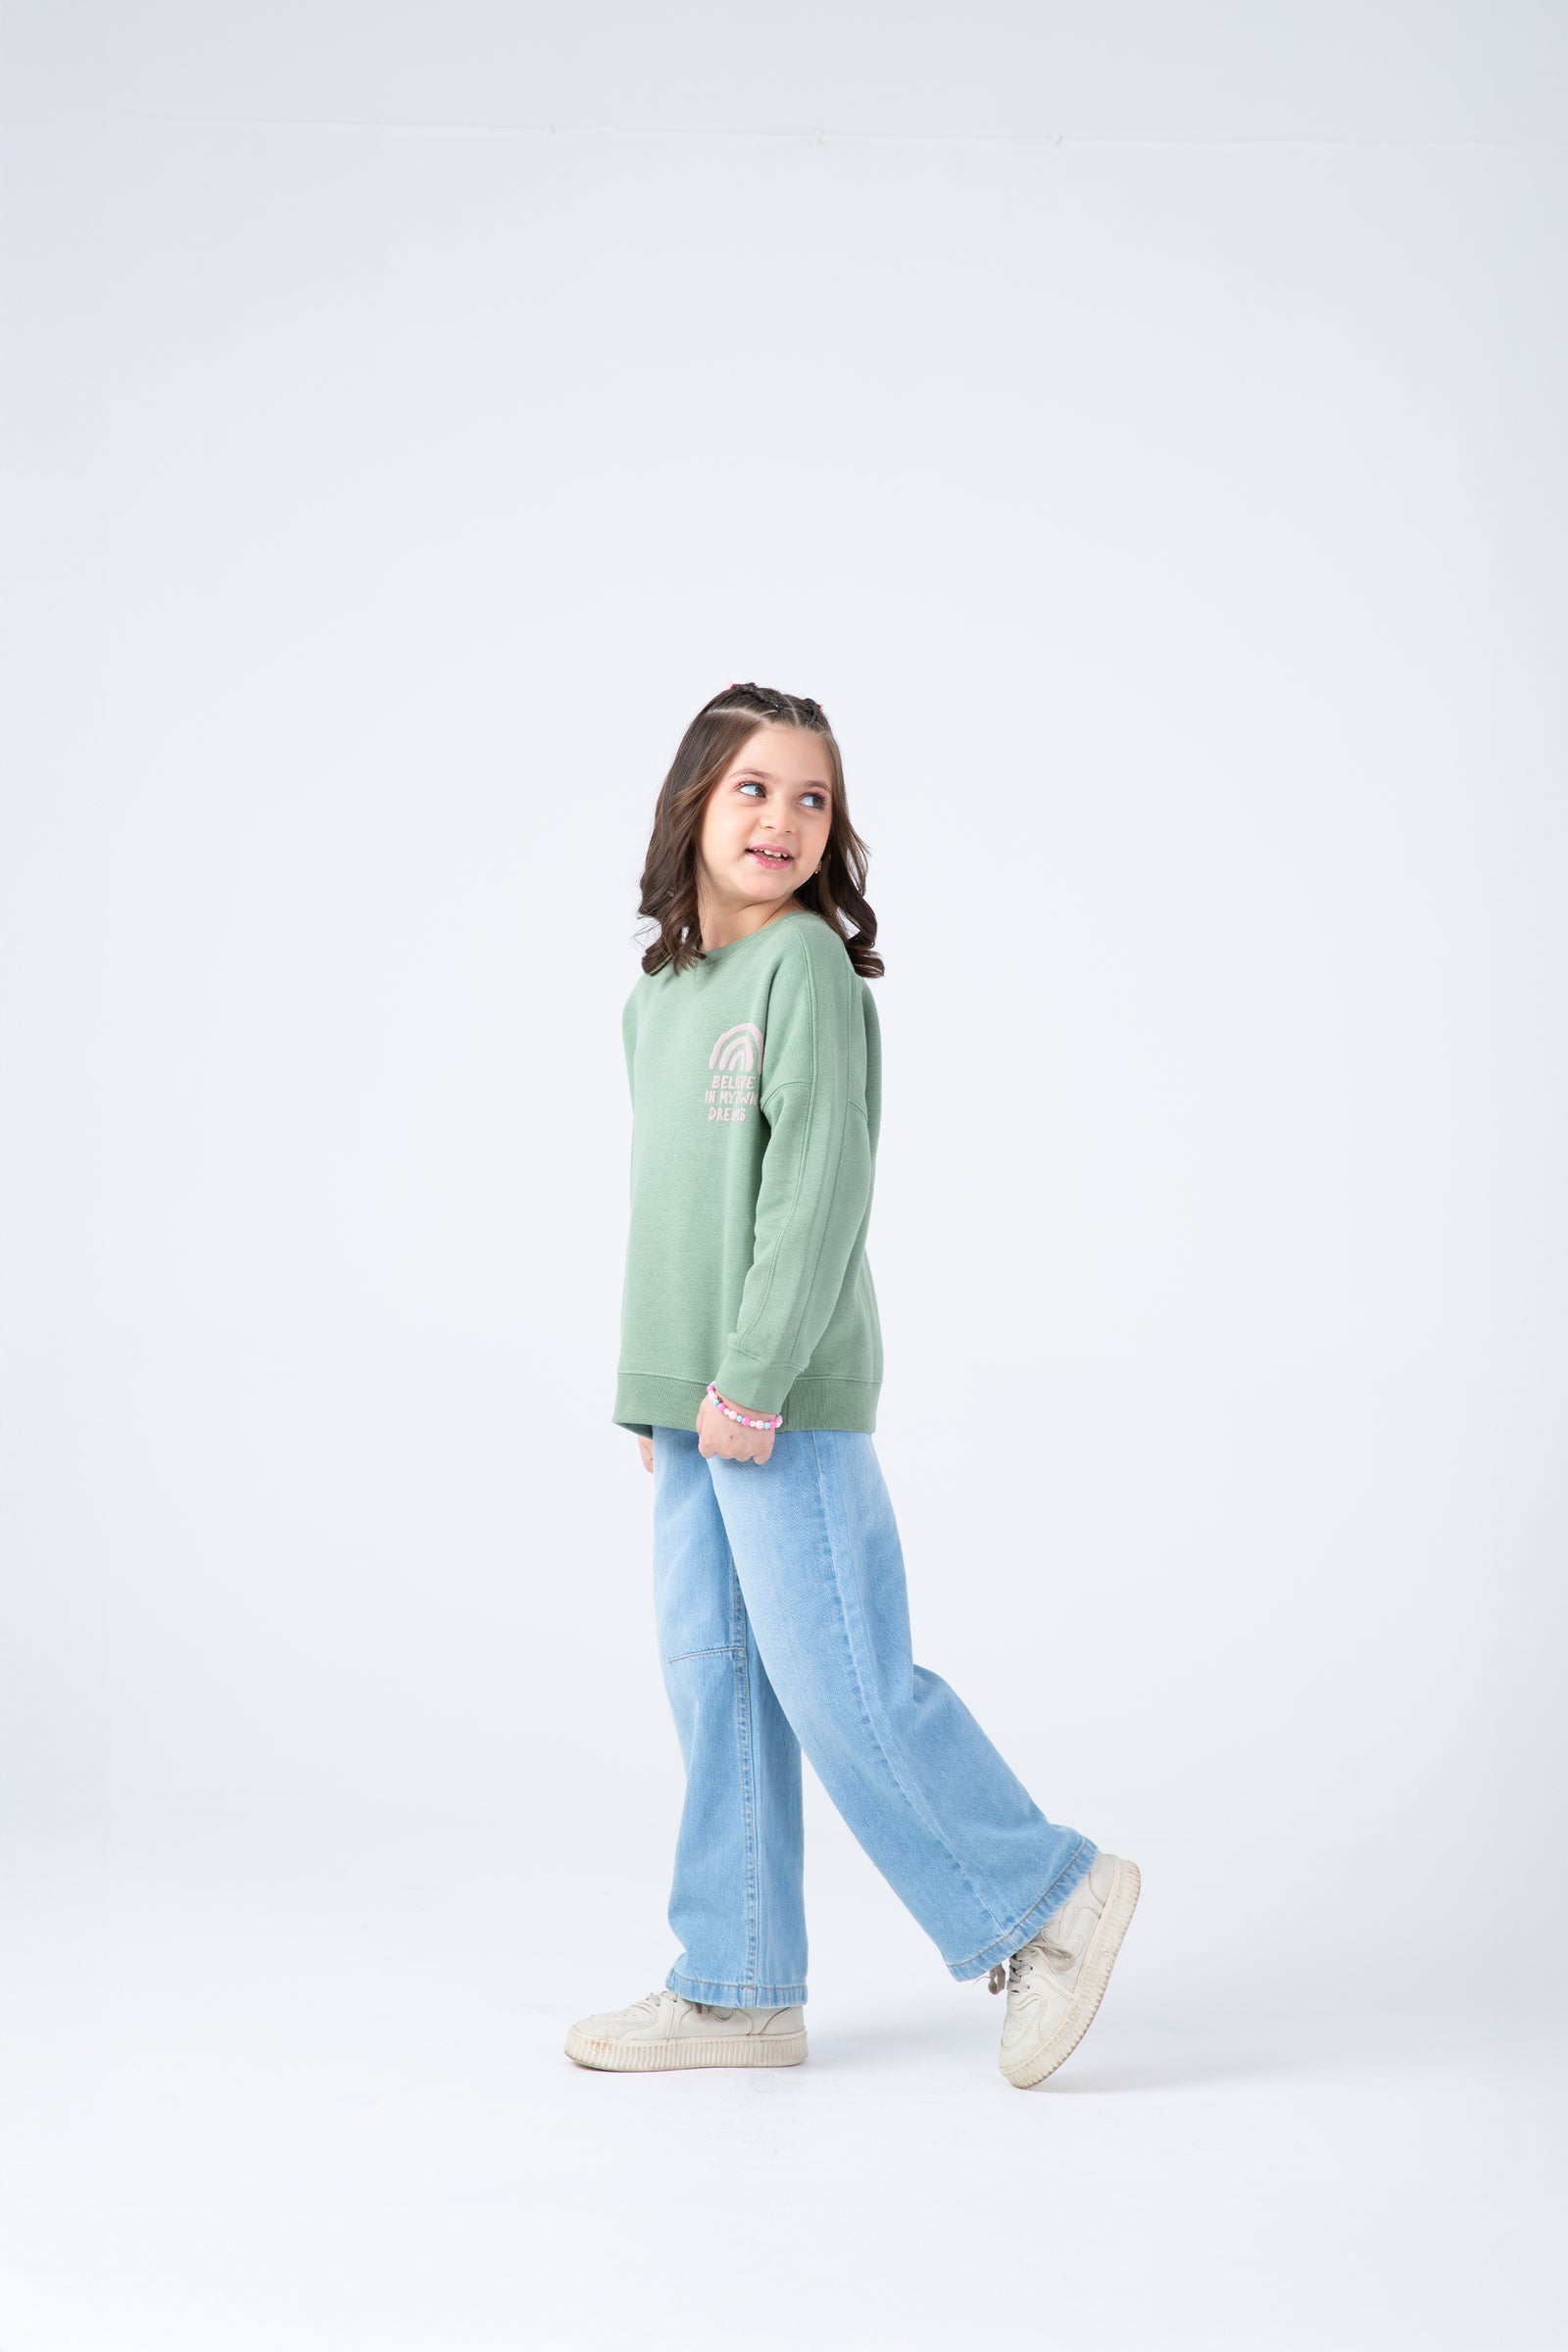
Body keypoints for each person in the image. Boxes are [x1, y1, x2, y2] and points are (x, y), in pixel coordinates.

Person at [565, 681, 1140, 2088]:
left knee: (844, 1687)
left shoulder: (807, 971)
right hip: (695, 1409)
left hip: (779, 1401)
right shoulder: (658, 1000)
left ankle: (1050, 1901)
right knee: (720, 1690)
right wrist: (657, 1392)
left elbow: (816, 1193)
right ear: (694, 802)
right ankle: (737, 1987)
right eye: (754, 788)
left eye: (811, 797)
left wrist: (751, 1382)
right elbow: (672, 1210)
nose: (783, 819)